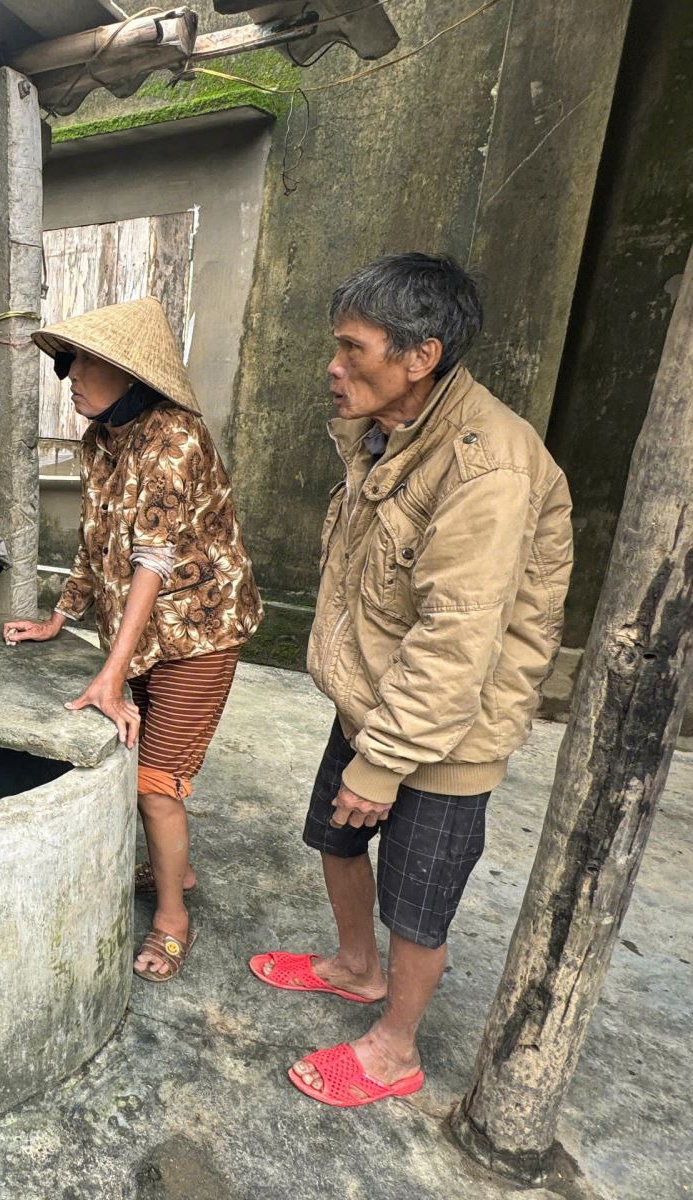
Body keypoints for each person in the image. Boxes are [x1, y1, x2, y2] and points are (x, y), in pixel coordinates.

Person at [251, 253, 572, 1107]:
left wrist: (385, 760)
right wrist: (368, 738)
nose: (333, 367)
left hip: (447, 728)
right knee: (335, 837)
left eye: (352, 349)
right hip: (374, 700)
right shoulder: (388, 432)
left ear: (420, 356)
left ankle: (395, 1048)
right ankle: (357, 967)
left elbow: (456, 638)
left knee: (418, 904)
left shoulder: (488, 466)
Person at [2, 296, 262, 985]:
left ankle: (173, 917)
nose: (70, 376)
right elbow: (97, 542)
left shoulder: (174, 439)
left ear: (130, 373)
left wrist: (110, 674)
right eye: (68, 363)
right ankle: (179, 867)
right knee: (140, 769)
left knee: (154, 783)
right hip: (141, 634)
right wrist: (60, 616)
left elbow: (152, 559)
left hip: (198, 633)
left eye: (85, 362)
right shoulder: (102, 441)